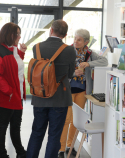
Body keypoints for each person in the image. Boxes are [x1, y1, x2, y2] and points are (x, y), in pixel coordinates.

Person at [26, 19, 76, 158]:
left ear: (51, 30)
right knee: (54, 135)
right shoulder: (69, 50)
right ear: (65, 35)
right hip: (60, 98)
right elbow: (71, 73)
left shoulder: (36, 47)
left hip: (39, 96)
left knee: (37, 132)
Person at [58, 29, 108, 158]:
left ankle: (71, 146)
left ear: (86, 42)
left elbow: (105, 61)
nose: (75, 41)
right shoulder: (67, 51)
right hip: (67, 90)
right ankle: (61, 149)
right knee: (66, 120)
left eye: (79, 40)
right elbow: (61, 68)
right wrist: (74, 72)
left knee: (76, 121)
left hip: (82, 91)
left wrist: (89, 63)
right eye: (75, 38)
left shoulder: (90, 53)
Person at [0, 22, 27, 158]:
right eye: (17, 34)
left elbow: (15, 67)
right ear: (9, 34)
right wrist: (9, 91)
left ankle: (20, 152)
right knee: (2, 128)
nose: (19, 36)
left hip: (17, 96)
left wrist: (21, 52)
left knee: (15, 126)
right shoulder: (1, 50)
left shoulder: (14, 49)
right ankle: (2, 153)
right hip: (7, 97)